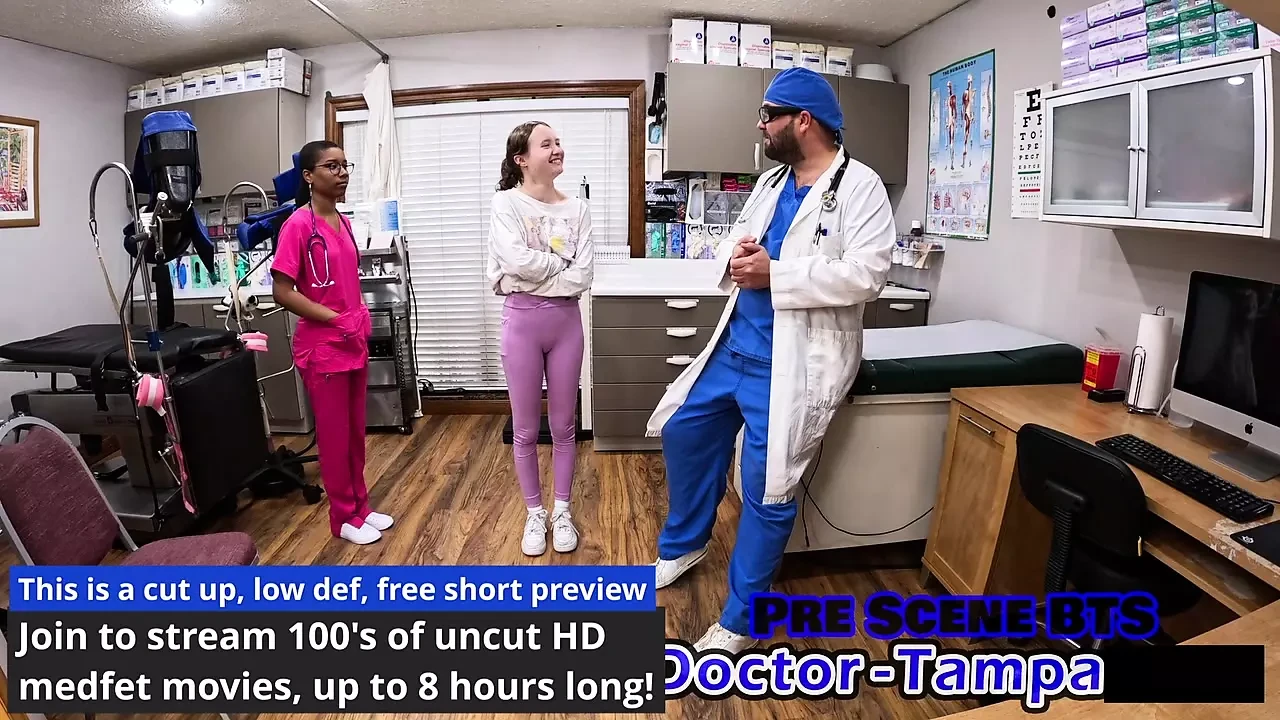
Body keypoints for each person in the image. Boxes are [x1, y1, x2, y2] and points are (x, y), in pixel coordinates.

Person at [646, 67, 897, 651]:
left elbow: (868, 274)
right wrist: (738, 254)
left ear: (803, 121)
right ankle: (686, 545)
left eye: (768, 116)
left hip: (793, 363)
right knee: (684, 430)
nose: (760, 126)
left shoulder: (860, 186)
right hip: (734, 346)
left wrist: (775, 273)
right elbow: (741, 239)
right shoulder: (770, 181)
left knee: (768, 486)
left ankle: (742, 618)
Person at [271, 140, 393, 546]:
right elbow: (282, 292)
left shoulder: (343, 221)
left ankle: (361, 507)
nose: (342, 173)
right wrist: (335, 318)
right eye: (331, 166)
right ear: (308, 176)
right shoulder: (298, 226)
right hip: (323, 347)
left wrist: (355, 319)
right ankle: (342, 517)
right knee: (336, 437)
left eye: (345, 165)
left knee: (356, 433)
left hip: (351, 339)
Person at [486, 121, 594, 556]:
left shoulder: (578, 209)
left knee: (565, 426)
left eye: (559, 142)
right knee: (526, 430)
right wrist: (559, 262)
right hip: (522, 324)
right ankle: (535, 512)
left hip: (567, 324)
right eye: (546, 143)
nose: (557, 149)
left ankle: (562, 510)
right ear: (522, 159)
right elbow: (513, 261)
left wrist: (535, 272)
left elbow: (583, 275)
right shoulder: (506, 203)